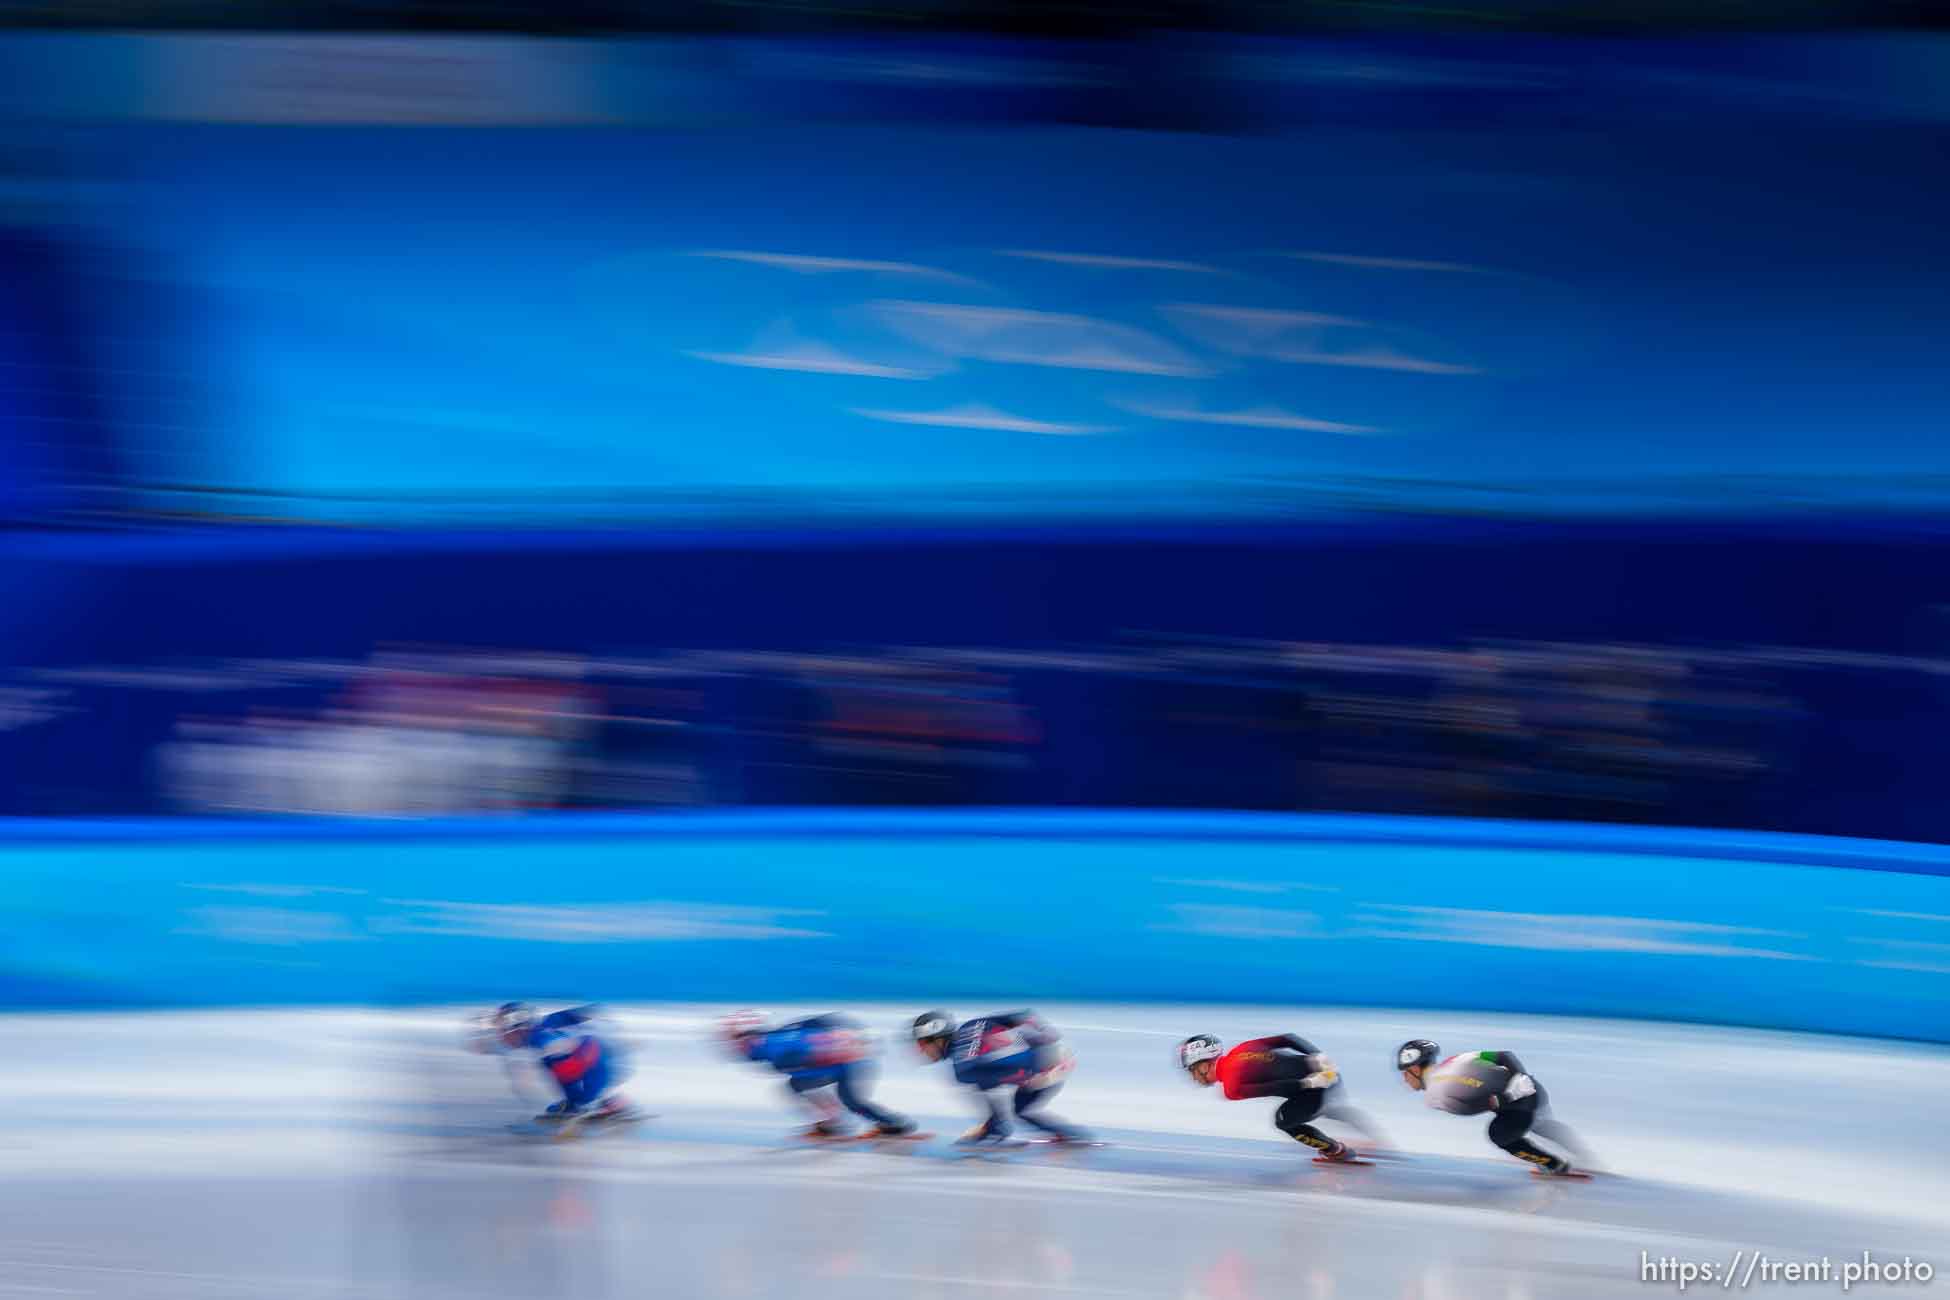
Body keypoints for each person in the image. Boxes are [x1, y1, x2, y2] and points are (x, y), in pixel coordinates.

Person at [1395, 1038, 1592, 1176]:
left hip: (1517, 1104)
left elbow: (1472, 1108)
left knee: (1498, 1134)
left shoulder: (1433, 1097)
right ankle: (1583, 1154)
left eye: (1404, 1073)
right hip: (1531, 1087)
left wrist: (1507, 1096)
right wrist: (1520, 1078)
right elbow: (1505, 1055)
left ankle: (1554, 1165)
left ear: (1414, 1068)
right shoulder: (1455, 1059)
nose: (1404, 1079)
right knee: (1539, 1124)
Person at [1177, 1032, 1381, 1162]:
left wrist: (1310, 1083)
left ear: (1204, 1065)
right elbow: (1288, 1038)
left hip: (1315, 1088)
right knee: (1324, 1109)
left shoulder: (1231, 1088)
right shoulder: (1243, 1048)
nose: (1193, 1078)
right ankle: (1372, 1135)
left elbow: (1271, 1087)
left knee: (1283, 1121)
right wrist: (1318, 1056)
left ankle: (1336, 1150)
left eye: (1192, 1070)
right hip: (1327, 1071)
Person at [718, 1010, 916, 1140]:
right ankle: (838, 1123)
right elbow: (818, 1021)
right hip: (848, 1054)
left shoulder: (772, 1049)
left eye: (734, 1039)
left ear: (749, 1037)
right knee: (799, 1086)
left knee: (847, 1099)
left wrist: (850, 1043)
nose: (733, 1047)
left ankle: (895, 1125)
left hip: (849, 1061)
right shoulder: (775, 1037)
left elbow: (809, 1060)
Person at [912, 1009, 1088, 1145]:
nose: (921, 1052)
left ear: (937, 1039)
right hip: (1053, 1052)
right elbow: (1023, 1015)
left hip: (1047, 1065)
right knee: (1010, 1102)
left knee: (1019, 1110)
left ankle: (1071, 1136)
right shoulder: (972, 1024)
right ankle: (1065, 1134)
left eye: (922, 1045)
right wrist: (1046, 1034)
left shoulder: (962, 1067)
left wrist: (994, 1127)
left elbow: (998, 1083)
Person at [471, 1001, 638, 1126]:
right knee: (555, 1067)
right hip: (600, 1059)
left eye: (502, 1030)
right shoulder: (546, 1023)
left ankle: (597, 1105)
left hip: (597, 1064)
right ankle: (587, 1104)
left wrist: (557, 1046)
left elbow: (557, 1045)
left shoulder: (539, 1038)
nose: (500, 1036)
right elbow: (580, 1014)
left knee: (556, 1065)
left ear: (517, 1028)